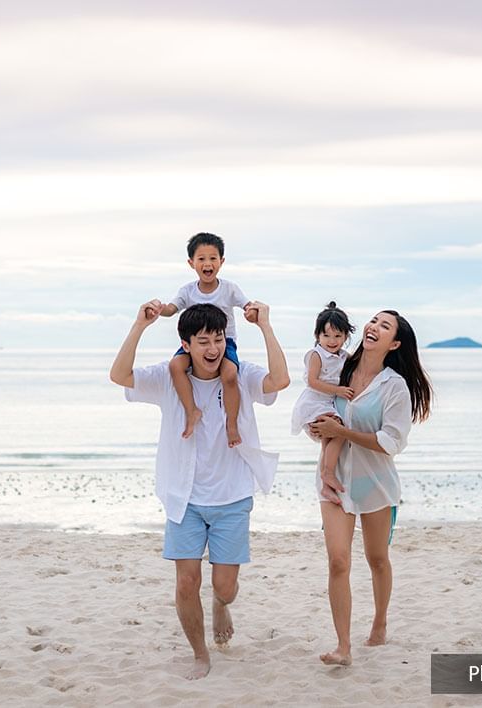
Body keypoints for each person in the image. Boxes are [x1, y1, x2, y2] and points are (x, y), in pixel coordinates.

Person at [110, 301, 290, 680]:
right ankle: (199, 654)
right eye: (203, 341)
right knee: (186, 581)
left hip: (232, 496)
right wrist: (139, 326)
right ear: (185, 344)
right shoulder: (167, 377)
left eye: (219, 339)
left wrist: (266, 327)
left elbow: (280, 382)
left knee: (225, 587)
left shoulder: (239, 375)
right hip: (184, 497)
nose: (213, 349)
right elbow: (120, 375)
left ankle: (221, 603)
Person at [309, 310, 433, 667]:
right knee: (338, 561)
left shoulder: (394, 386)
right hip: (335, 481)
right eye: (373, 320)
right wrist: (318, 430)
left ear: (394, 343)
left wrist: (342, 433)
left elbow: (391, 442)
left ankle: (380, 622)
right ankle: (343, 646)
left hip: (376, 483)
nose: (373, 327)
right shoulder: (339, 369)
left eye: (384, 326)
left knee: (377, 558)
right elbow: (318, 409)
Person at [155, 233, 251, 447]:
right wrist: (160, 309)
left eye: (213, 258)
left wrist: (252, 311)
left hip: (225, 343)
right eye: (201, 259)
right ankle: (192, 411)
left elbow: (246, 305)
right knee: (175, 366)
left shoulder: (229, 288)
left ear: (221, 261)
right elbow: (172, 309)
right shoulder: (187, 291)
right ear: (191, 263)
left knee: (229, 375)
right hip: (196, 345)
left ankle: (232, 424)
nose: (207, 263)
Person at [290, 302, 355, 492]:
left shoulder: (345, 356)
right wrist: (339, 391)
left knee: (331, 435)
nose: (331, 341)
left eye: (337, 336)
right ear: (317, 335)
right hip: (314, 401)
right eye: (326, 335)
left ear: (346, 336)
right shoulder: (316, 355)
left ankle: (325, 477)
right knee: (338, 430)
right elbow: (312, 381)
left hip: (329, 402)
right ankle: (327, 472)